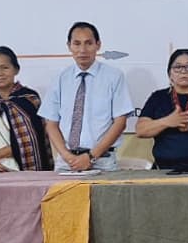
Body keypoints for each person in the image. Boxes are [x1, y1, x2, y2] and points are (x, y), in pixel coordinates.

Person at [41, 22, 133, 172]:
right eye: (77, 44)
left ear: (98, 45)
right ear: (69, 46)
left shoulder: (114, 77)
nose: (82, 50)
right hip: (66, 162)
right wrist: (67, 156)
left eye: (88, 43)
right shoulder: (61, 78)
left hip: (102, 161)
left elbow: (120, 122)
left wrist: (91, 157)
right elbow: (51, 123)